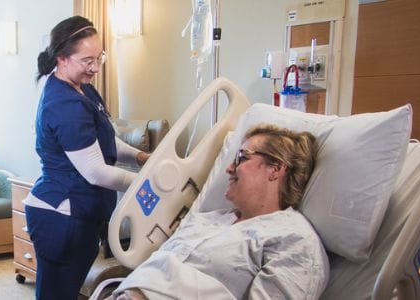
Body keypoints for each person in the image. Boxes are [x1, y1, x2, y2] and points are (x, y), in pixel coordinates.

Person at [110, 124, 329, 300]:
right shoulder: (206, 219)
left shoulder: (294, 241)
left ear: (275, 169)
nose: (229, 168)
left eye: (241, 158)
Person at [26, 15, 150, 300]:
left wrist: (140, 157)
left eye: (99, 58)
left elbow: (106, 139)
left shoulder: (84, 89)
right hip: (61, 215)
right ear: (62, 58)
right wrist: (146, 183)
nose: (95, 68)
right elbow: (96, 171)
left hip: (79, 213)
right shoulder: (64, 105)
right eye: (86, 60)